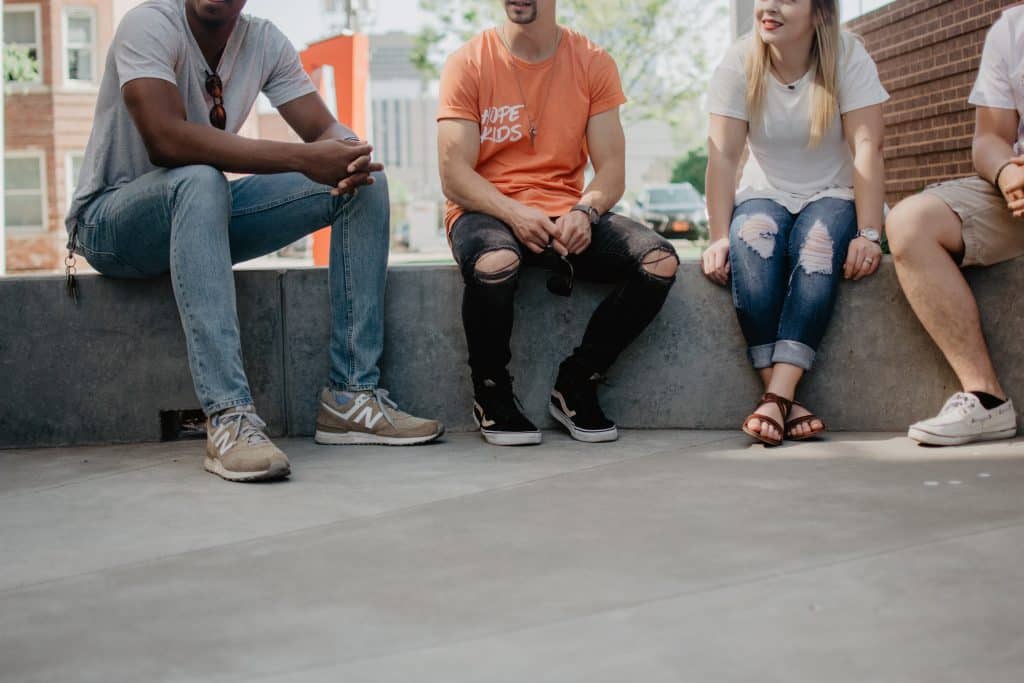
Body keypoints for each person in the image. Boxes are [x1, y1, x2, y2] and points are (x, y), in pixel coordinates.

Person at [66, 0, 443, 483]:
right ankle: (228, 418)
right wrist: (302, 159)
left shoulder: (262, 41)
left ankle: (351, 397)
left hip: (201, 214)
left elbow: (322, 128)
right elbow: (166, 141)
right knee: (200, 179)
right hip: (110, 225)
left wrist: (347, 152)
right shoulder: (149, 23)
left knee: (364, 184)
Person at [436, 0, 679, 446]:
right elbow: (455, 176)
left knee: (658, 262)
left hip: (565, 211)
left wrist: (586, 211)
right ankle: (491, 394)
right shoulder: (467, 63)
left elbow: (611, 171)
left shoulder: (593, 61)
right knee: (494, 263)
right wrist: (512, 211)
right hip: (486, 211)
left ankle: (577, 382)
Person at [702, 0, 888, 446]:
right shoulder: (740, 60)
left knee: (816, 247)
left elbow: (868, 147)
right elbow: (723, 157)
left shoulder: (847, 56)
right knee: (751, 245)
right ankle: (783, 399)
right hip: (765, 192)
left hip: (835, 194)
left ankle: (775, 397)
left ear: (819, 12)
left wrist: (868, 232)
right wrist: (719, 236)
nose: (769, 7)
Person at [885, 7, 1024, 446]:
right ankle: (985, 400)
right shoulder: (1013, 29)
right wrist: (1006, 173)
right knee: (911, 222)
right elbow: (989, 138)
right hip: (1018, 196)